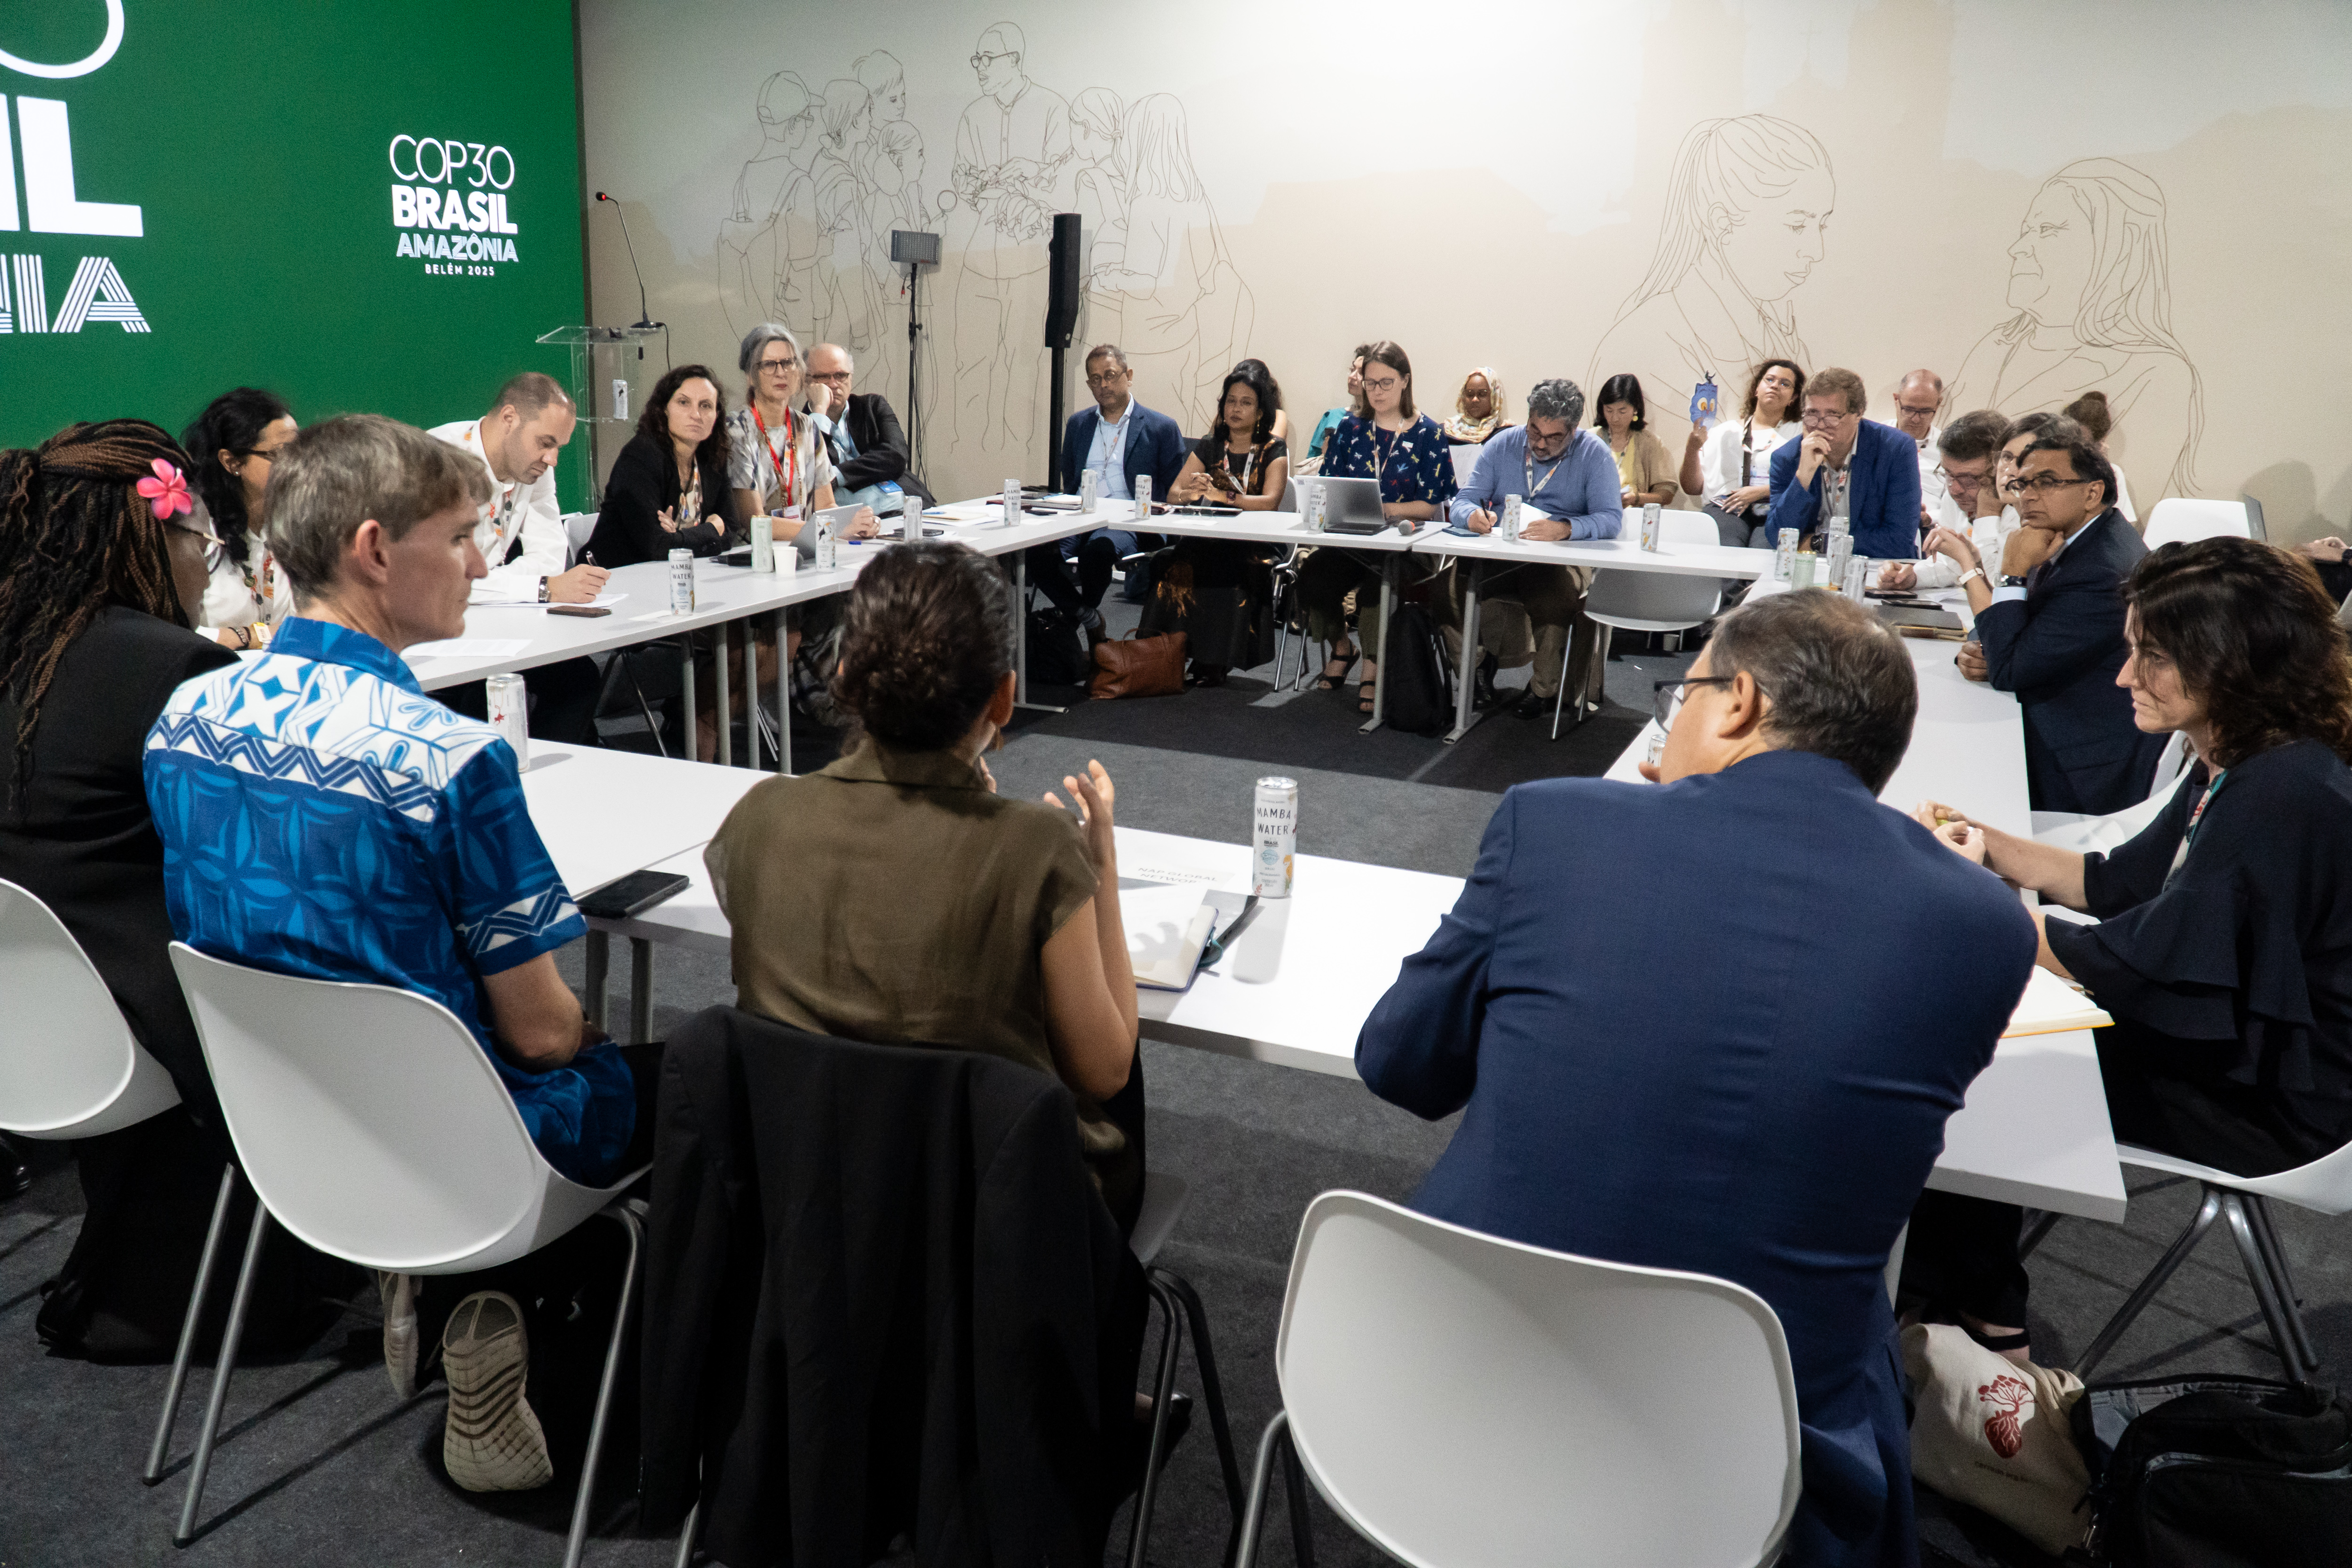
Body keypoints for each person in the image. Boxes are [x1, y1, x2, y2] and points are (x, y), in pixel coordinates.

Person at [1357, 589, 2035, 1568]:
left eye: (1681, 693)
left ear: (1737, 702)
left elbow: (1400, 1065)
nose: (1669, 719)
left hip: (1468, 1369)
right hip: (1765, 1453)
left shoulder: (1555, 824)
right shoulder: (1981, 925)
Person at [145, 414, 654, 1493]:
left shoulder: (180, 721)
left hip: (288, 1142)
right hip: (467, 1151)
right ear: (377, 551)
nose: (483, 562)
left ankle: (463, 1300)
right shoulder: (452, 763)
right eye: (464, 536)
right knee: (687, 1071)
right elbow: (544, 1032)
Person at [1904, 538, 2352, 1359]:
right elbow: (2115, 882)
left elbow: (2137, 958)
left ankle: (1987, 1319)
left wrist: (1967, 905)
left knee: (1978, 1056)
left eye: (2151, 656)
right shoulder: (2244, 753)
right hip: (2254, 1048)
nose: (2124, 677)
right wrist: (1983, 843)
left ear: (2232, 662)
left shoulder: (2281, 794)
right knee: (1978, 1032)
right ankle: (1947, 1291)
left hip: (2280, 1101)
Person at [702, 542, 1145, 1231]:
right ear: (1004, 697)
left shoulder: (760, 820)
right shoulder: (1038, 848)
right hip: (995, 1235)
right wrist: (1102, 862)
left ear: (845, 674)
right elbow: (1106, 1069)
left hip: (809, 1213)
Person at [0, 420, 243, 1356]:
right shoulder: (171, 666)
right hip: (151, 1022)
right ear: (157, 532)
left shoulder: (24, 648)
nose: (206, 571)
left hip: (39, 1032)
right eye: (204, 546)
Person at [1939, 428, 2165, 815]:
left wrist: (2012, 572)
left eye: (2047, 483)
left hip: (2072, 766)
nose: (2027, 496)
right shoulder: (2073, 538)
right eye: (2023, 483)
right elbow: (2011, 635)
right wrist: (1982, 650)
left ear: (2093, 493)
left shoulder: (2102, 571)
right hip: (2049, 723)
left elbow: (2009, 668)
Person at [1947, 159, 2203, 499]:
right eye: (2027, 230)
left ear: (2117, 249)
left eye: (2048, 230)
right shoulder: (1995, 347)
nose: (2018, 247)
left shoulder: (2156, 371)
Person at [1588, 115, 1834, 445]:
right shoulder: (1649, 340)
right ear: (1722, 223)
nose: (1815, 251)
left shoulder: (1774, 331)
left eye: (1822, 226)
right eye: (1796, 225)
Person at [430, 373, 608, 745]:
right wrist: (540, 588)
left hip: (491, 619)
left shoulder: (533, 467)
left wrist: (522, 583)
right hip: (429, 624)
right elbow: (446, 577)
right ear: (509, 418)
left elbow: (549, 552)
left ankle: (536, 783)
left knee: (578, 679)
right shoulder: (437, 461)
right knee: (482, 690)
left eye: (559, 446)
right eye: (546, 443)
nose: (552, 459)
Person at [1295, 340, 1459, 714]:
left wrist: (1386, 510)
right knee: (1312, 577)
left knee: (1377, 589)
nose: (1377, 391)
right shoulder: (1351, 429)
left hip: (1408, 545)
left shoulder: (1429, 434)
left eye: (1386, 382)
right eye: (1370, 383)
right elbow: (1331, 483)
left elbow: (1430, 504)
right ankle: (1342, 648)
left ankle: (1372, 667)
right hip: (1354, 536)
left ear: (1405, 381)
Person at [1447, 378, 1622, 718]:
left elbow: (1610, 519)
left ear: (1573, 430)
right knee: (1446, 589)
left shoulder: (1594, 454)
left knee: (1555, 599)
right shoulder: (1503, 444)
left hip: (1554, 561)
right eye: (1534, 432)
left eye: (1553, 437)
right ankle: (1477, 667)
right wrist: (1472, 517)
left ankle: (1544, 688)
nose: (1540, 444)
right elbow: (1463, 501)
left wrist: (1567, 528)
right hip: (1500, 553)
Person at [1028, 343, 1186, 641]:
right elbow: (1071, 477)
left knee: (1097, 552)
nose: (1104, 385)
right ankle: (1088, 617)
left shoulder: (1161, 427)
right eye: (1095, 379)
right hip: (1081, 513)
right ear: (1089, 383)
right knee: (1033, 551)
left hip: (1129, 519)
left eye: (1111, 376)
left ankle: (1083, 626)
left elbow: (1172, 489)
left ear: (1129, 375)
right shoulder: (1078, 424)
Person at [1153, 361, 1290, 683]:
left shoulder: (1274, 448)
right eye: (1231, 401)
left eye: (1246, 403)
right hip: (1212, 535)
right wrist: (1193, 492)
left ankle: (1213, 660)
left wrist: (1222, 496)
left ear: (1260, 412)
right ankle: (1165, 652)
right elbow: (1173, 493)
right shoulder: (1210, 444)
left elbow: (1270, 502)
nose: (1236, 409)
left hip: (1257, 541)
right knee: (1170, 560)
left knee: (1227, 564)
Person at [723, 324, 874, 539]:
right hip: (754, 555)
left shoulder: (808, 426)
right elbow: (754, 522)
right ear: (750, 375)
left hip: (805, 548)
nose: (781, 372)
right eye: (769, 365)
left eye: (788, 363)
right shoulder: (736, 430)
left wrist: (856, 522)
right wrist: (831, 529)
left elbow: (826, 505)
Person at [586, 365, 742, 568]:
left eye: (706, 405)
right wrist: (711, 530)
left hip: (674, 575)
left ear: (717, 414)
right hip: (613, 578)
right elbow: (658, 546)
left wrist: (679, 538)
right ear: (664, 409)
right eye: (684, 402)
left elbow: (731, 528)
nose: (696, 414)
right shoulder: (641, 456)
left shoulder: (711, 457)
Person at [1767, 366, 1923, 564]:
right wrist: (1803, 476)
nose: (1820, 425)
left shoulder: (1895, 449)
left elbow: (1899, 541)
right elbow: (1777, 538)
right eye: (1812, 414)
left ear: (1858, 413)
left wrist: (1820, 543)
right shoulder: (1787, 458)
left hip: (1878, 569)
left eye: (1833, 415)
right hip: (1811, 568)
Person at [181, 388, 296, 648]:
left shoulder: (290, 531)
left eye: (301, 451)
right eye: (281, 453)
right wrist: (252, 636)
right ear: (232, 462)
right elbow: (165, 632)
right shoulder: (195, 534)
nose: (298, 464)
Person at [1873, 410, 2011, 591]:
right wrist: (1913, 577)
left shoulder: (2020, 511)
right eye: (1948, 474)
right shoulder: (1952, 496)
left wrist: (1987, 516)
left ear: (2001, 470)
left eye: (1969, 480)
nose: (1955, 489)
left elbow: (1997, 588)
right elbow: (1951, 566)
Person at [1680, 359, 1804, 548]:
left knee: (1764, 551)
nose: (1775, 386)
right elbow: (1692, 488)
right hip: (1725, 510)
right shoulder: (1724, 432)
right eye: (1769, 380)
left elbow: (1807, 481)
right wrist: (1692, 449)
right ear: (1756, 389)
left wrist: (1760, 492)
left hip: (1774, 511)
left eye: (1785, 384)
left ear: (1793, 398)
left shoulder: (1799, 434)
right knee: (1729, 549)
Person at [805, 341, 930, 514]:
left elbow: (896, 456)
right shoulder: (799, 425)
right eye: (824, 377)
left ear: (851, 378)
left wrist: (837, 475)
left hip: (906, 509)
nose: (833, 384)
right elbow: (811, 472)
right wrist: (819, 409)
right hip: (852, 522)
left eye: (841, 375)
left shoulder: (873, 407)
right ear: (807, 382)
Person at [1592, 374, 1676, 510]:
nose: (1615, 418)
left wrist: (1637, 498)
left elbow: (1666, 493)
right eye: (1609, 410)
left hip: (1634, 519)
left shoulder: (1650, 443)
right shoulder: (1590, 440)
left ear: (1635, 409)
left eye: (1622, 411)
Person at [2060, 390, 2137, 524]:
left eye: (2085, 446)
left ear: (2101, 444)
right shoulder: (2045, 472)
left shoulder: (2112, 473)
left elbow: (2124, 524)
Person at [1891, 369, 1947, 525]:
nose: (1916, 419)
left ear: (1938, 404)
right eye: (1908, 410)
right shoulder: (1876, 439)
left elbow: (1957, 505)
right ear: (1896, 400)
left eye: (1925, 411)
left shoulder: (1947, 448)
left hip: (1928, 529)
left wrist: (1929, 517)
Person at [1303, 345, 1371, 465]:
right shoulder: (1332, 416)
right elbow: (1310, 462)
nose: (1352, 377)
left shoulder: (1379, 422)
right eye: (1352, 370)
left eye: (1360, 373)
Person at [1441, 367, 1509, 445]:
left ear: (1494, 397)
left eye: (1482, 394)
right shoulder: (1447, 431)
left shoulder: (1505, 435)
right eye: (1470, 394)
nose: (1475, 399)